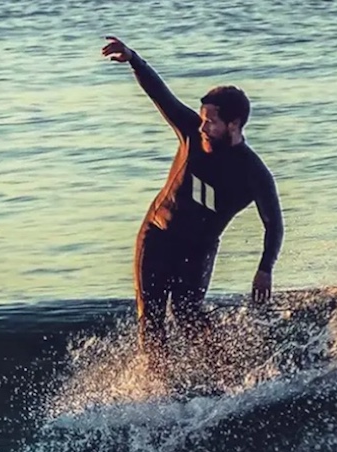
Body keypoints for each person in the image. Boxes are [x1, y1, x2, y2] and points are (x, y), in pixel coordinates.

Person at [101, 36, 285, 380]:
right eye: (202, 118)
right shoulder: (190, 132)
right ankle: (157, 386)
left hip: (198, 249)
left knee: (188, 316)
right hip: (157, 234)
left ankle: (228, 377)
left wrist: (265, 269)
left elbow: (273, 223)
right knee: (151, 318)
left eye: (211, 121)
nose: (203, 126)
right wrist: (134, 59)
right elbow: (161, 94)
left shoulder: (253, 172)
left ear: (234, 125)